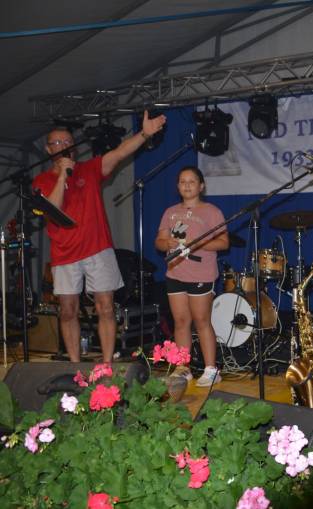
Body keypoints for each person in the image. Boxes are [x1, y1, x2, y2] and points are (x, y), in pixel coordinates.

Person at [32, 111, 167, 364]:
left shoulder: (90, 169)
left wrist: (144, 134)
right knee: (68, 311)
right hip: (64, 253)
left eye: (67, 141)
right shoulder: (41, 180)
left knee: (105, 306)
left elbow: (119, 153)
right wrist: (63, 175)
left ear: (74, 146)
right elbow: (53, 208)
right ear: (48, 149)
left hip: (97, 248)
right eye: (57, 143)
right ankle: (75, 365)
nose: (63, 146)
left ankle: (107, 364)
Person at [155, 166, 229, 387]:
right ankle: (183, 367)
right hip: (175, 272)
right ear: (177, 186)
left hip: (201, 273)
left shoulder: (212, 211)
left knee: (201, 320)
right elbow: (159, 242)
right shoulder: (170, 212)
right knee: (180, 321)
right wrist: (166, 243)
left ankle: (211, 369)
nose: (187, 185)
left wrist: (198, 244)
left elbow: (224, 243)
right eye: (182, 181)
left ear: (201, 186)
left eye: (192, 181)